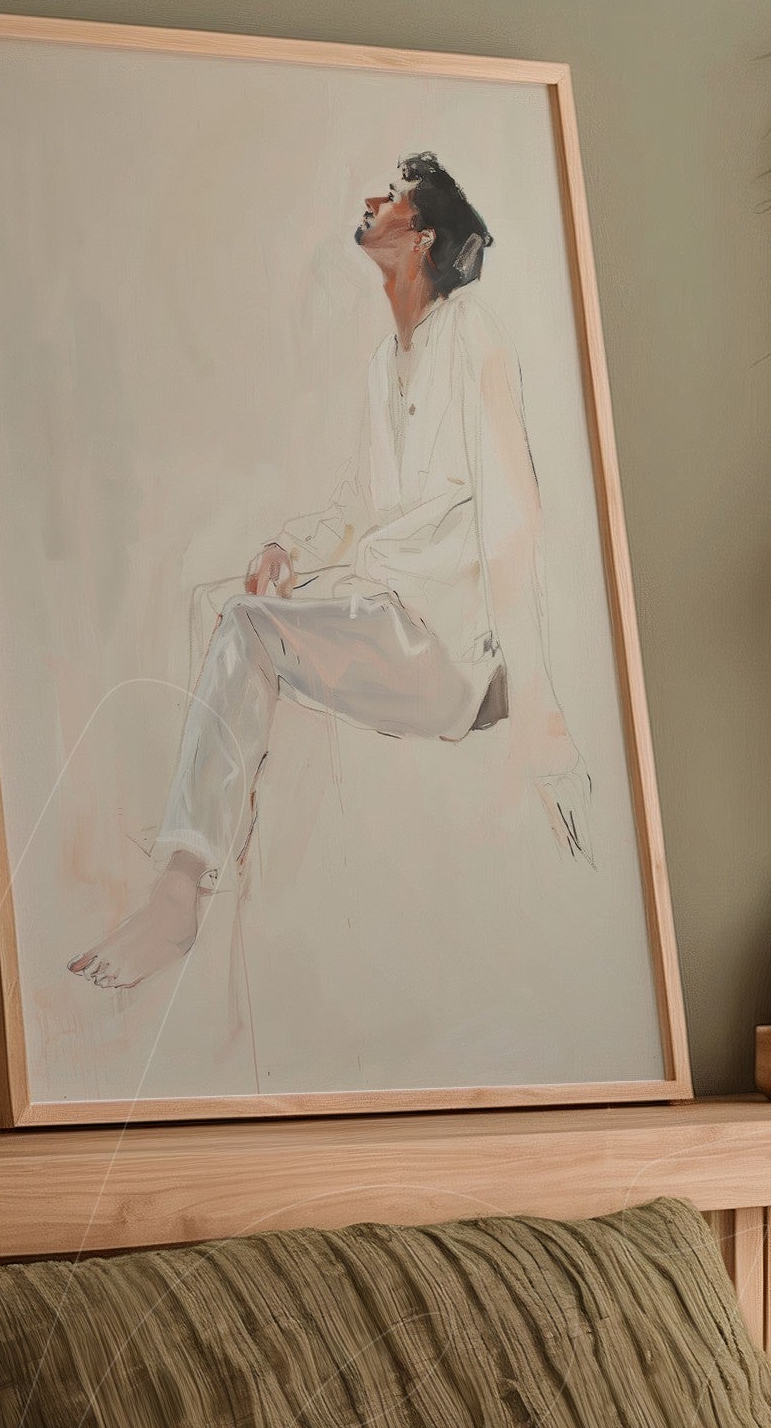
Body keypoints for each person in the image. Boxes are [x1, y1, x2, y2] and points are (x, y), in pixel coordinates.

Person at [69, 153, 590, 992]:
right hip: (387, 616)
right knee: (223, 604)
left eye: (392, 197)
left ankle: (176, 900)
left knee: (246, 630)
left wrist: (539, 705)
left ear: (420, 239)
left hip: (451, 649)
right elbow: (357, 503)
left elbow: (514, 521)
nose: (372, 199)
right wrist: (291, 549)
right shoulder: (384, 367)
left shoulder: (474, 340)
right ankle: (210, 887)